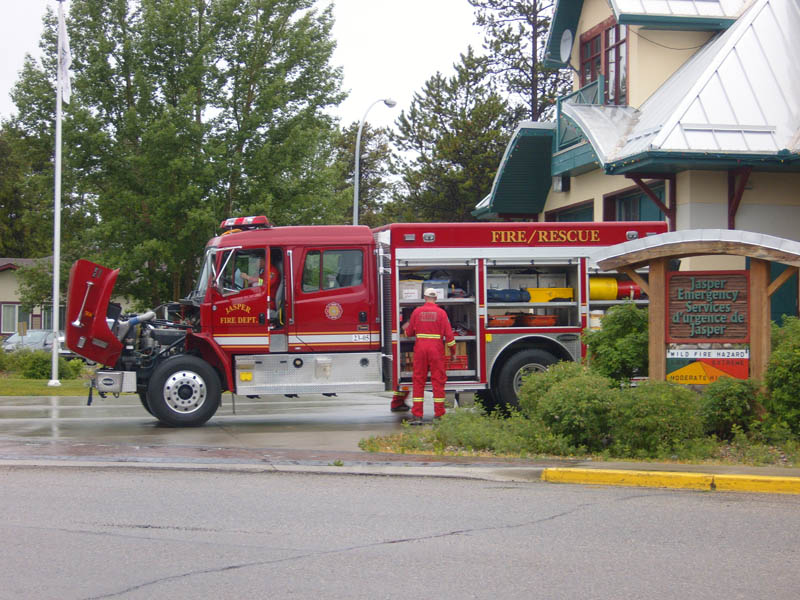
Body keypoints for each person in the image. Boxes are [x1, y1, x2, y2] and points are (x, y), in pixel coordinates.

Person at [402, 287, 456, 424]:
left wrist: (405, 329)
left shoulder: (417, 312)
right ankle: (439, 415)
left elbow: (409, 333)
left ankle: (417, 415)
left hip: (420, 349)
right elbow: (449, 336)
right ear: (436, 298)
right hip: (436, 350)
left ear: (425, 298)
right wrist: (453, 352)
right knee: (438, 381)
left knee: (418, 381)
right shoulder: (442, 313)